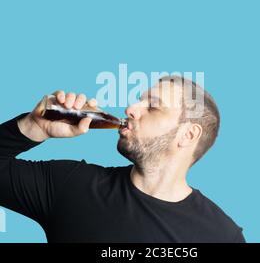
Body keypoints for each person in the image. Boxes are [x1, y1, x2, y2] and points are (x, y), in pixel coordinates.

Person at [0, 76, 245, 242]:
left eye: (153, 107)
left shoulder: (222, 236)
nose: (131, 109)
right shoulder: (71, 185)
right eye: (140, 101)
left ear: (188, 134)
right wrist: (33, 127)